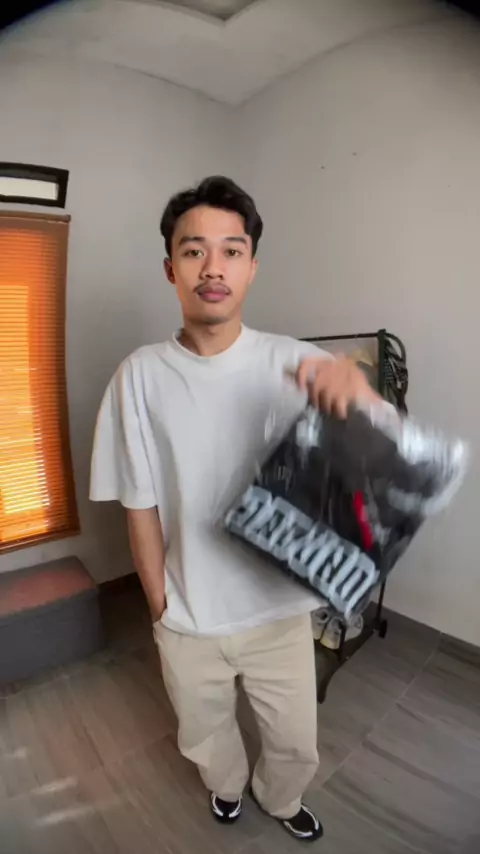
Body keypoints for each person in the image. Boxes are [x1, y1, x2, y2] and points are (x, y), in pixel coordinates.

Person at [90, 176, 380, 843]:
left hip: (279, 610)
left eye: (231, 250)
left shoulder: (296, 361)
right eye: (194, 251)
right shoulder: (140, 375)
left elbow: (371, 458)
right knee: (203, 729)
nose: (212, 267)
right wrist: (159, 604)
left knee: (294, 738)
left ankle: (281, 798)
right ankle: (225, 786)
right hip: (188, 614)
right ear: (171, 268)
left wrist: (355, 400)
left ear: (252, 267)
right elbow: (140, 503)